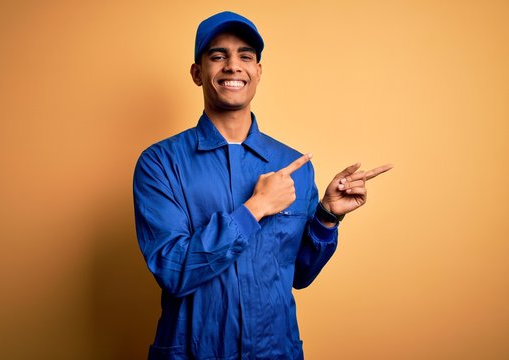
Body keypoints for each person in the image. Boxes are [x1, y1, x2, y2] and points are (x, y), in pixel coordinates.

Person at [133, 11, 392, 360]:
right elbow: (174, 270)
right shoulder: (160, 163)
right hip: (193, 351)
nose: (233, 66)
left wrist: (327, 216)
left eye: (245, 56)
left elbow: (298, 274)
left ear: (258, 71)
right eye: (218, 55)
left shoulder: (295, 167)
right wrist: (255, 208)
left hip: (275, 351)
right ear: (198, 73)